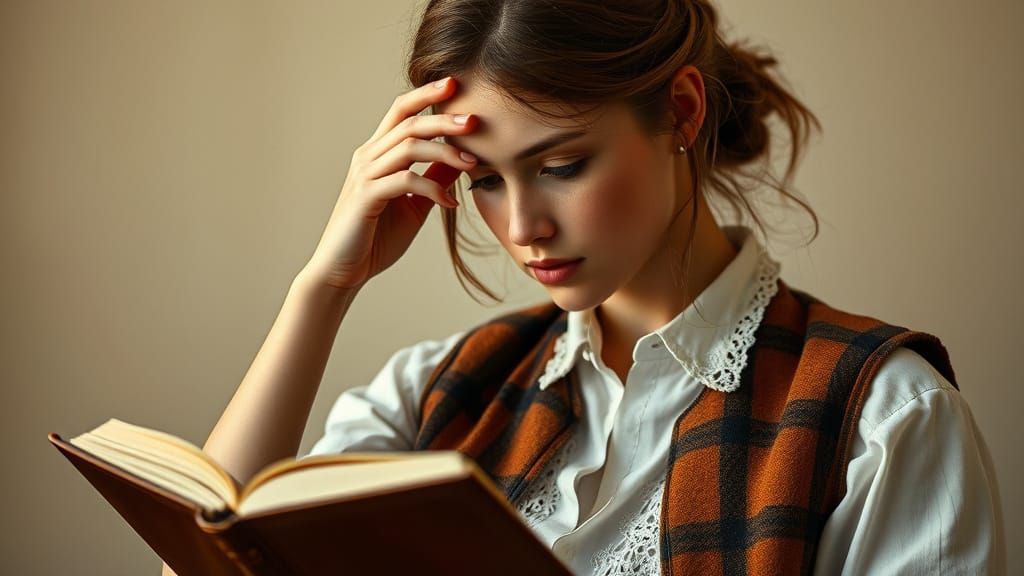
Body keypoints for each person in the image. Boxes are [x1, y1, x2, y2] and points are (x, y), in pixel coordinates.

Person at [162, 1, 1006, 574]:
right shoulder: (437, 395)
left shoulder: (885, 421)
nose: (522, 224)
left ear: (681, 111)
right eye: (483, 180)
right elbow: (195, 565)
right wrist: (323, 288)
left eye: (560, 165)